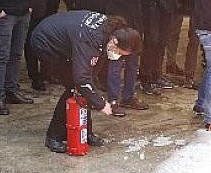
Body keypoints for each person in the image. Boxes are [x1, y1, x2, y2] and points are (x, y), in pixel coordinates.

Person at [31, 11, 139, 153]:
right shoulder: (91, 38)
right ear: (115, 41)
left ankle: (85, 131)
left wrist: (91, 90)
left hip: (68, 37)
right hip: (46, 43)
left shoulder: (110, 32)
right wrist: (100, 103)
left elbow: (91, 74)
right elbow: (81, 79)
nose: (118, 56)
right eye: (119, 53)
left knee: (86, 87)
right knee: (73, 87)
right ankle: (54, 136)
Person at [98, 0, 148, 116]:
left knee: (133, 63)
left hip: (136, 24)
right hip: (117, 24)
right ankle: (113, 100)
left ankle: (128, 96)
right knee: (115, 62)